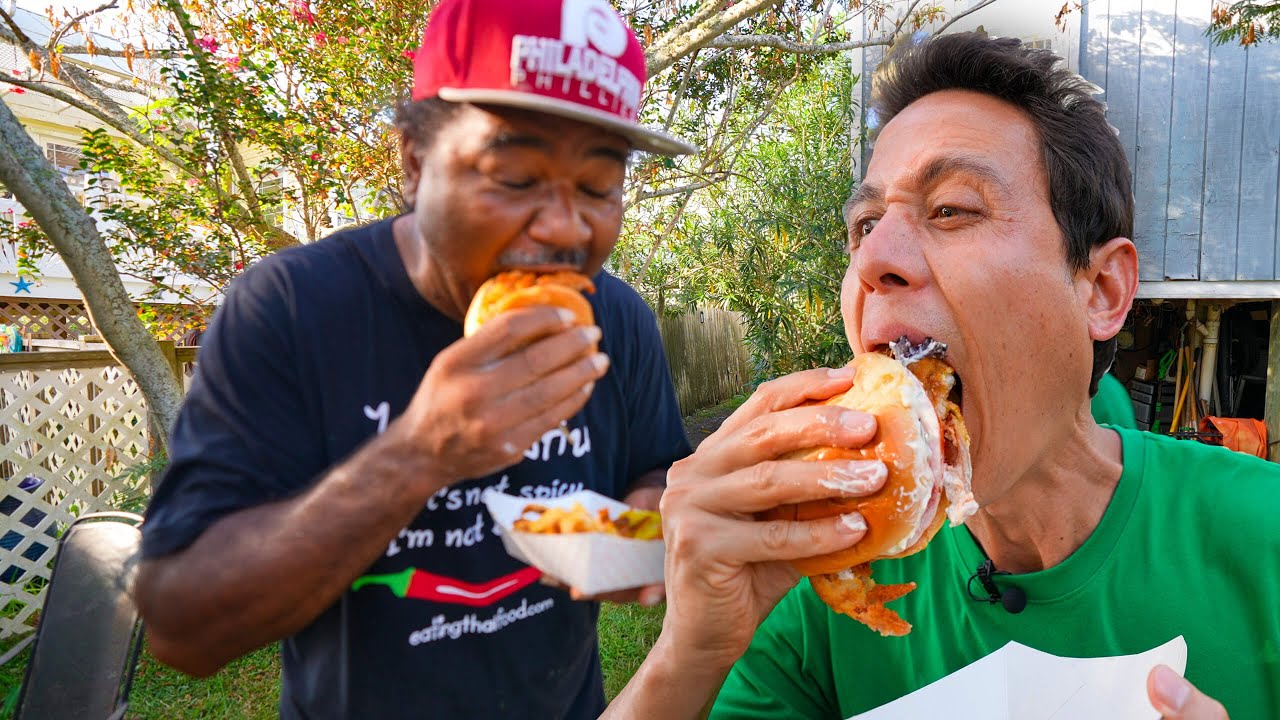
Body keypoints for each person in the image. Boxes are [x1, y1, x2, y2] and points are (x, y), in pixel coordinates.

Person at [605, 33, 1277, 719]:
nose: (874, 258)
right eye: (866, 222)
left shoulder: (1264, 536)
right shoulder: (818, 573)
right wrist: (689, 651)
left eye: (953, 208)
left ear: (1101, 288)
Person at [133, 0, 695, 717]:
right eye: (515, 178)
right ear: (413, 161)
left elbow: (657, 465)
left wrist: (643, 520)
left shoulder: (615, 320)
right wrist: (418, 451)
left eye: (597, 187)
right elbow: (181, 628)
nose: (564, 227)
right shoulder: (291, 308)